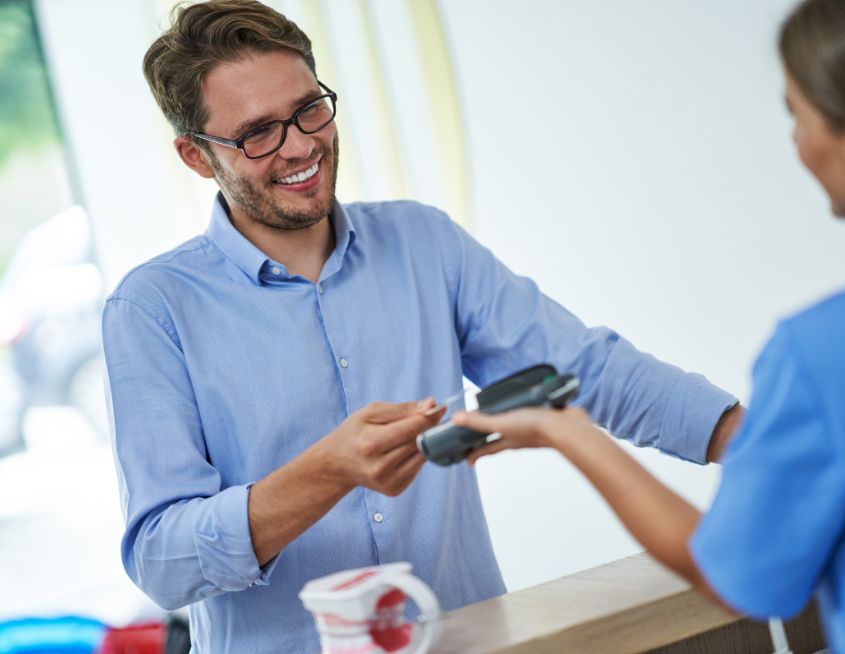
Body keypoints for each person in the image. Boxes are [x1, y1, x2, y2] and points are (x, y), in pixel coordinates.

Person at [101, 1, 741, 651]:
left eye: (309, 109)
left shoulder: (422, 242)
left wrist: (758, 444)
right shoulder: (151, 310)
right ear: (197, 156)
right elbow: (162, 560)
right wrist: (326, 471)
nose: (300, 146)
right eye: (258, 133)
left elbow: (586, 371)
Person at [454, 0, 845, 650]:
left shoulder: (820, 353)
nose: (797, 141)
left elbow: (734, 577)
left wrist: (569, 434)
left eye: (796, 114)